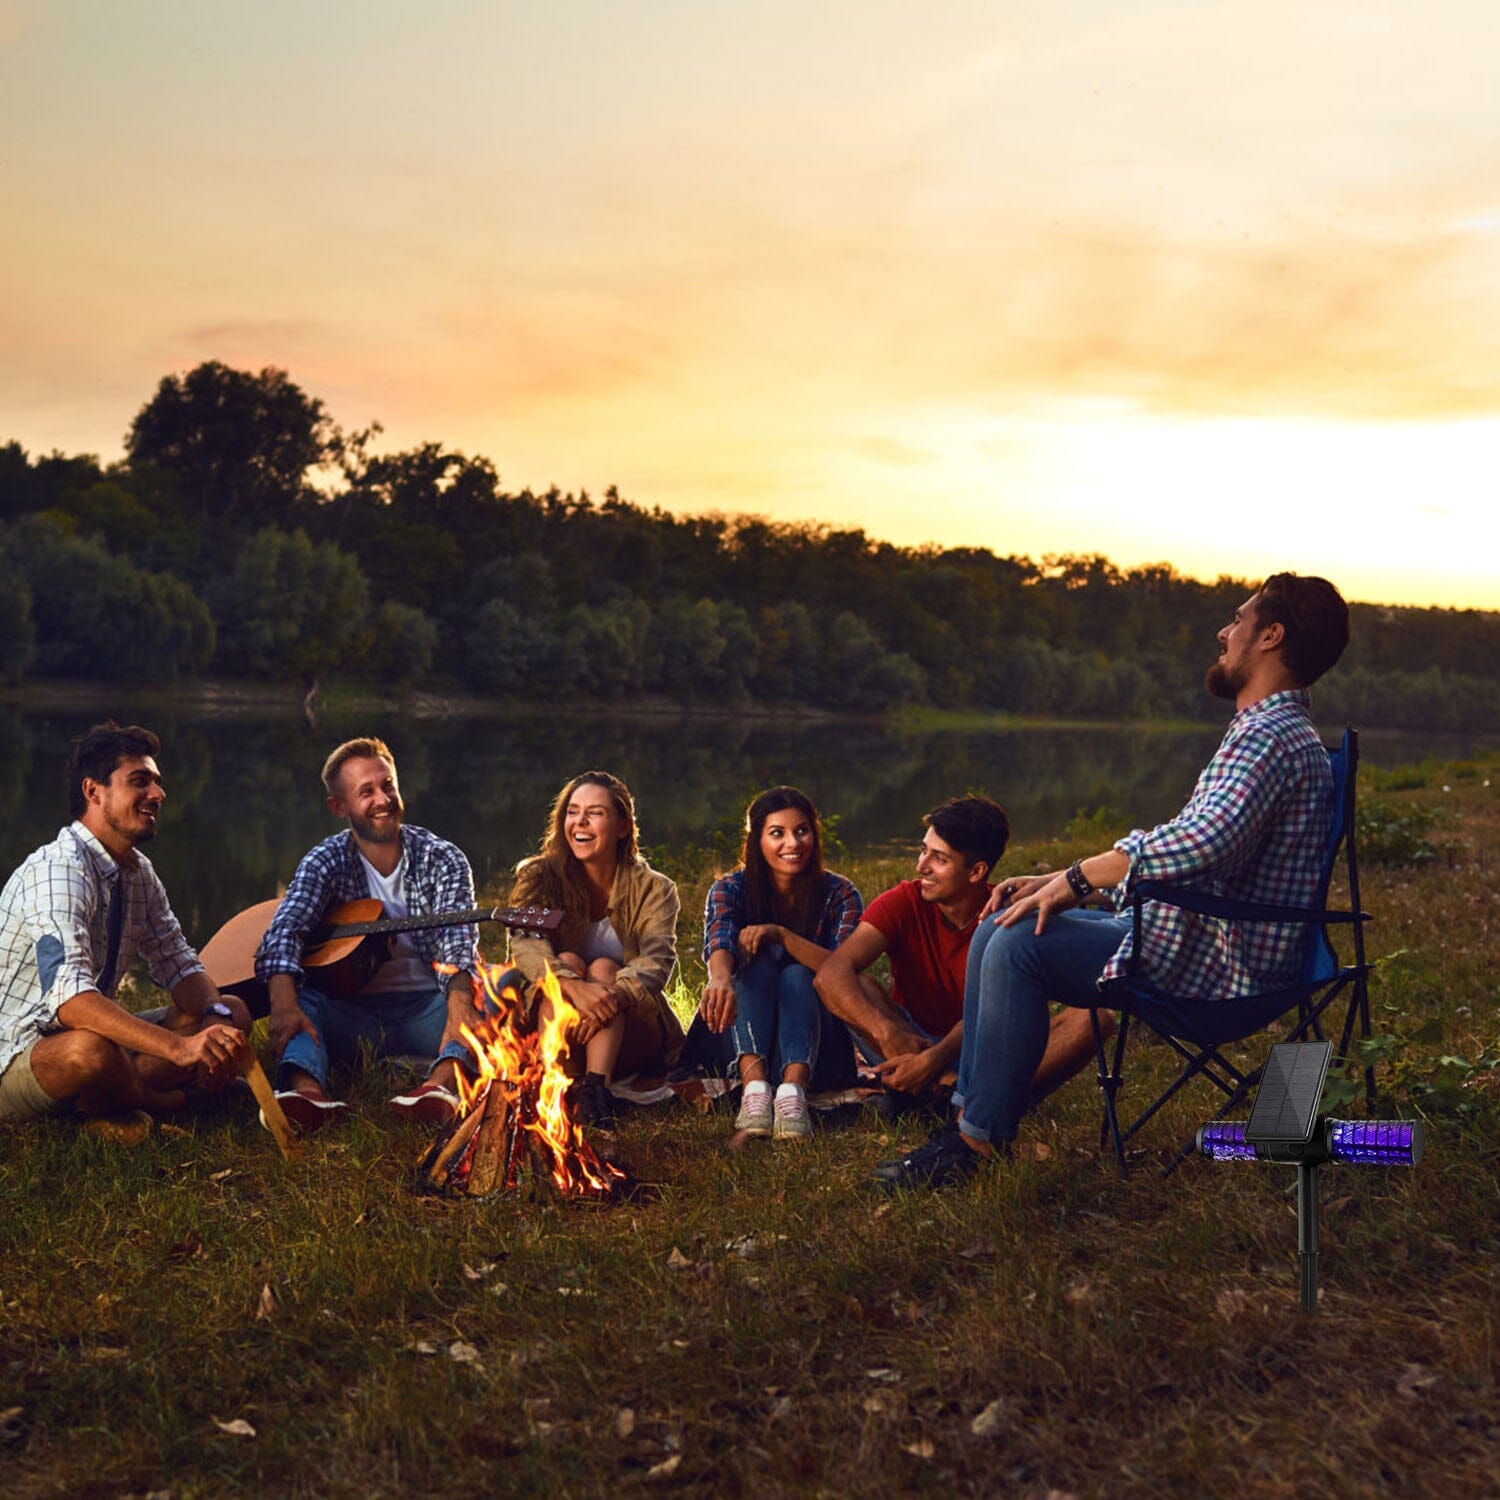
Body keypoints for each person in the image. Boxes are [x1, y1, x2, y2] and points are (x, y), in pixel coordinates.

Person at [874, 572, 1352, 1189]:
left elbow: (1203, 843)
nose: (1224, 632)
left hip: (1220, 966)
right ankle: (969, 1119)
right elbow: (1203, 854)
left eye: (1238, 620)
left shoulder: (1270, 738)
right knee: (1006, 920)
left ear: (1271, 637)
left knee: (1018, 944)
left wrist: (1078, 878)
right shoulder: (1270, 733)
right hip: (1205, 935)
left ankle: (976, 1143)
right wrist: (1058, 881)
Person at [0, 722, 250, 1139]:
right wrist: (180, 1049)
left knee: (233, 1011)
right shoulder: (56, 872)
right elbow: (71, 1002)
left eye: (156, 782)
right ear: (93, 792)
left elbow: (179, 963)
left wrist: (214, 1021)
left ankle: (111, 1100)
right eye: (140, 782)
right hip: (19, 1054)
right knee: (89, 1052)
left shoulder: (137, 871)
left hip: (86, 1040)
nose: (158, 794)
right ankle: (165, 1102)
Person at [814, 795, 1098, 1115]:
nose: (922, 866)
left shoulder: (1007, 917)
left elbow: (988, 1014)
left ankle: (962, 1095)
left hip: (986, 1049)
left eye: (939, 858)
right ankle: (952, 1094)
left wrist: (935, 1061)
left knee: (1093, 1018)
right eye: (924, 851)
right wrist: (886, 1032)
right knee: (860, 986)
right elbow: (831, 973)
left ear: (976, 872)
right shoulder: (904, 901)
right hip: (911, 1042)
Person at [255, 737, 480, 1132]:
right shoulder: (325, 861)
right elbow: (285, 931)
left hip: (430, 1009)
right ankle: (307, 1095)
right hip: (350, 1015)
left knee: (496, 988)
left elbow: (457, 941)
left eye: (388, 785)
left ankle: (438, 1088)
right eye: (366, 792)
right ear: (338, 807)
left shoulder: (442, 857)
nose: (383, 799)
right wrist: (282, 1003)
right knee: (302, 997)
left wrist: (460, 1004)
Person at [507, 771, 683, 1128]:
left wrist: (609, 1000)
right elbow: (524, 943)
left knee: (605, 969)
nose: (580, 822)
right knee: (568, 962)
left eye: (595, 813)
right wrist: (573, 986)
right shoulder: (539, 876)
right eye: (573, 811)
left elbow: (656, 962)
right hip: (557, 1028)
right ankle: (548, 1080)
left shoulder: (655, 889)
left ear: (622, 826)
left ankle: (595, 1091)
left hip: (631, 1035)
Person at [696, 787, 863, 1140]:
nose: (793, 843)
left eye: (801, 831)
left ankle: (792, 1095)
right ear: (757, 840)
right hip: (745, 1033)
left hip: (818, 1044)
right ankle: (754, 1093)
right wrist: (721, 978)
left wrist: (782, 936)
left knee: (798, 974)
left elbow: (844, 967)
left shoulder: (841, 893)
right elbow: (720, 938)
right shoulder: (729, 888)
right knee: (751, 965)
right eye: (777, 833)